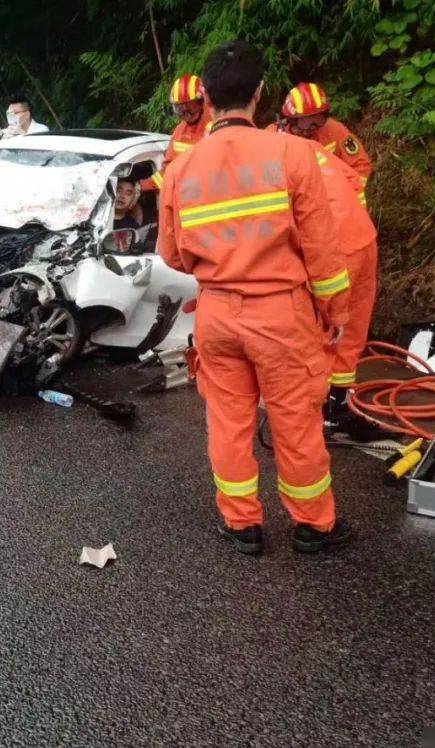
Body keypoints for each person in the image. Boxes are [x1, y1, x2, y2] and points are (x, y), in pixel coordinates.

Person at [157, 41, 352, 555]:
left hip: (218, 314)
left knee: (227, 421)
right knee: (296, 421)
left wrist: (218, 271)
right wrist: (334, 312)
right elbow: (322, 250)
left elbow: (172, 254)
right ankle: (314, 526)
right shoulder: (293, 154)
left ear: (206, 95)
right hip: (282, 313)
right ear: (261, 93)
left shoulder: (180, 169)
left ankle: (242, 524)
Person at [311, 146, 378, 412]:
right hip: (363, 237)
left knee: (321, 327)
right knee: (351, 327)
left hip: (332, 246)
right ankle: (340, 403)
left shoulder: (266, 163)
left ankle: (317, 405)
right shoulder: (311, 149)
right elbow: (354, 182)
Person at [270, 82, 372, 183]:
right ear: (292, 120)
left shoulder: (333, 130)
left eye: (318, 120)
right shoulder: (272, 135)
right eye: (308, 121)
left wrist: (346, 192)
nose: (313, 127)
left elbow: (361, 165)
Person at [140, 73, 211, 193]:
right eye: (179, 108)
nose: (185, 113)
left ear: (202, 101)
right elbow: (168, 172)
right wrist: (142, 186)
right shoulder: (179, 132)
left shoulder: (216, 124)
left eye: (190, 106)